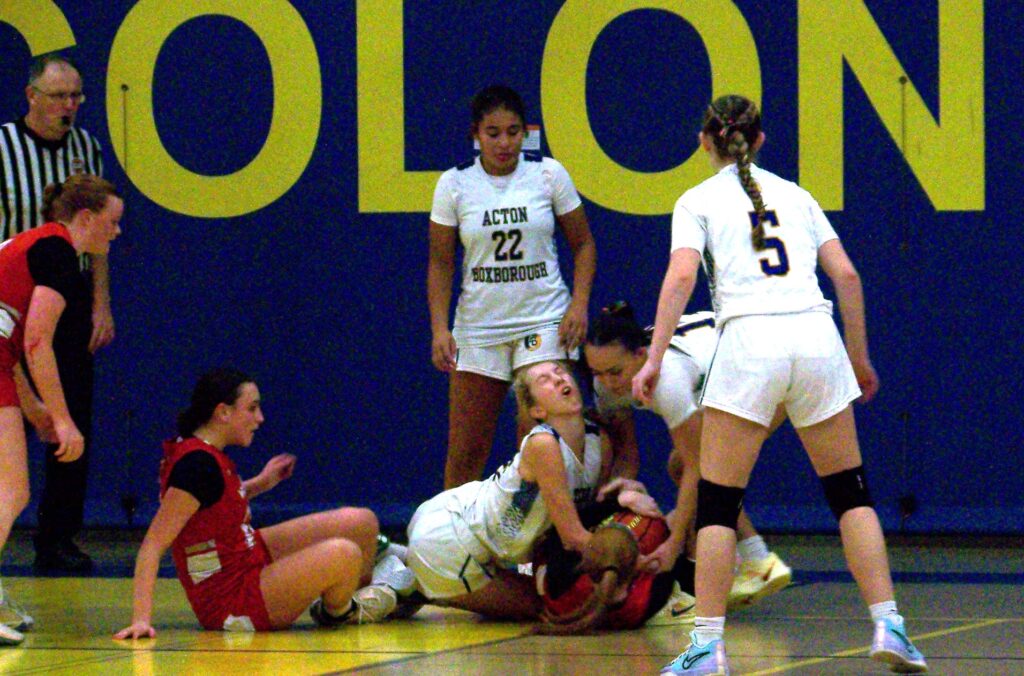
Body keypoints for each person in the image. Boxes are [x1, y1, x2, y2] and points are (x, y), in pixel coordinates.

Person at [633, 95, 927, 674]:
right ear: (760, 140)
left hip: (749, 344)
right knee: (851, 495)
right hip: (816, 338)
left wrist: (656, 356)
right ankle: (890, 624)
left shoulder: (696, 199)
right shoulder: (796, 195)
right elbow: (845, 275)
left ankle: (706, 649)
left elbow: (682, 275)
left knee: (718, 506)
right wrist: (858, 358)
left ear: (704, 142)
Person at [113, 368, 381, 638]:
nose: (260, 418)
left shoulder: (204, 452)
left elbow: (211, 506)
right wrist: (141, 620)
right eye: (252, 409)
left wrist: (262, 483)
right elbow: (152, 545)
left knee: (361, 523)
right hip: (232, 600)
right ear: (224, 412)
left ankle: (360, 594)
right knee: (343, 554)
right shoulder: (196, 466)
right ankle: (339, 611)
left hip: (245, 556)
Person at [427, 84, 596, 489]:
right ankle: (452, 544)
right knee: (466, 451)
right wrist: (439, 329)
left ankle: (536, 549)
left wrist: (579, 305)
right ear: (476, 134)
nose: (504, 142)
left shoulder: (548, 175)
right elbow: (440, 262)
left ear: (526, 132)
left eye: (513, 131)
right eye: (493, 132)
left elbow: (584, 244)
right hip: (480, 326)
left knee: (538, 442)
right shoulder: (454, 185)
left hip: (543, 320)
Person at [398, 361, 658, 621]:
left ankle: (405, 569)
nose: (558, 379)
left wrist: (622, 496)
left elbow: (589, 516)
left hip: (481, 536)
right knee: (550, 608)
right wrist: (631, 561)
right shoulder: (543, 444)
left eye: (559, 372)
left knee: (565, 596)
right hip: (449, 540)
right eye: (544, 380)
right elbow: (573, 537)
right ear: (536, 409)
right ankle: (405, 582)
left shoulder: (598, 441)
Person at [584, 301, 791, 607]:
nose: (607, 382)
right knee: (684, 466)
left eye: (615, 372)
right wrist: (619, 494)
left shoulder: (666, 380)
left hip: (772, 367)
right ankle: (749, 560)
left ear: (642, 356)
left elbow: (698, 467)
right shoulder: (605, 385)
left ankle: (753, 560)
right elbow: (626, 450)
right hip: (745, 365)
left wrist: (672, 543)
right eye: (597, 373)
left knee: (695, 468)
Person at [0, 174, 122, 645]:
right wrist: (65, 418)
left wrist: (34, 409)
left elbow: (10, 344)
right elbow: (36, 342)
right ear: (86, 218)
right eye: (112, 223)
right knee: (11, 493)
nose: (116, 233)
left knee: (10, 492)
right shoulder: (58, 256)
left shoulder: (36, 244)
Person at [0, 53, 111, 573]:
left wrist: (100, 305)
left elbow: (15, 353)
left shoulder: (85, 151)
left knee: (19, 478)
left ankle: (55, 540)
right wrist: (55, 416)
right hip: (14, 314)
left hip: (41, 316)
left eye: (76, 96)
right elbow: (33, 344)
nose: (70, 106)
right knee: (13, 476)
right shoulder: (3, 148)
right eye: (59, 96)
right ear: (31, 96)